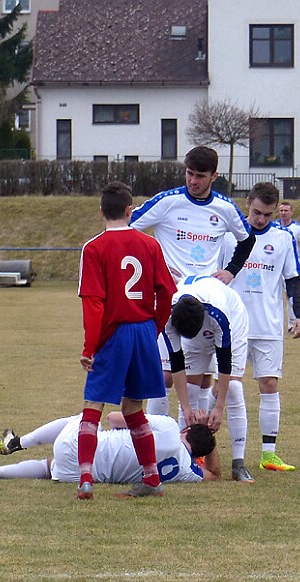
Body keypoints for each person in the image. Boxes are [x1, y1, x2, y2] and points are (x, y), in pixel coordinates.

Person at [131, 146, 255, 418]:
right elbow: (127, 228)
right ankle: (157, 443)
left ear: (214, 176)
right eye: (189, 174)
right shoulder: (167, 202)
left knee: (199, 379)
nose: (193, 181)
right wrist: (155, 266)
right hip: (169, 299)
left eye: (200, 176)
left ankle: (191, 445)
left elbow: (248, 239)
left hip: (205, 303)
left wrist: (231, 270)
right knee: (163, 376)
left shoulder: (224, 208)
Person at [74, 181, 177, 499]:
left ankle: (86, 479)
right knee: (134, 408)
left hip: (114, 333)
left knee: (93, 405)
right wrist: (154, 328)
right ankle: (152, 479)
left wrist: (90, 347)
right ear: (130, 211)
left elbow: (94, 302)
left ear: (102, 210)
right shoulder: (149, 245)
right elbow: (168, 292)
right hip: (144, 331)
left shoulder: (94, 248)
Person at [224, 183, 300, 472]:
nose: (260, 219)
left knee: (269, 385)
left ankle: (268, 455)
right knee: (228, 388)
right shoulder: (230, 234)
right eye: (257, 212)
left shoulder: (283, 239)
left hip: (269, 326)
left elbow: (292, 279)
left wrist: (299, 316)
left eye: (267, 215)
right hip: (233, 324)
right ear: (248, 203)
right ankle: (210, 451)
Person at [0, 410, 220, 485]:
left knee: (83, 418)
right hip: (82, 475)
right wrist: (211, 444)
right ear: (200, 455)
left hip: (79, 451)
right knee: (48, 469)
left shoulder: (171, 427)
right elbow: (215, 474)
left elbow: (114, 418)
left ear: (186, 430)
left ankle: (17, 442)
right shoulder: (188, 472)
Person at [164, 275, 255, 483]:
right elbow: (176, 363)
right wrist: (186, 407)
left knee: (232, 388)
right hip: (194, 328)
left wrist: (219, 408)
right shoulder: (168, 316)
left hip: (235, 320)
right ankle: (186, 458)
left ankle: (238, 464)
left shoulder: (218, 313)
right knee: (190, 390)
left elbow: (224, 363)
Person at [278, 200, 300, 332]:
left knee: (292, 296)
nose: (283, 213)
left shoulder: (298, 228)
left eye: (286, 210)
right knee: (276, 297)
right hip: (277, 268)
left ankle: (292, 324)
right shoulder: (274, 226)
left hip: (292, 268)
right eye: (281, 210)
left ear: (291, 212)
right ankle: (276, 324)